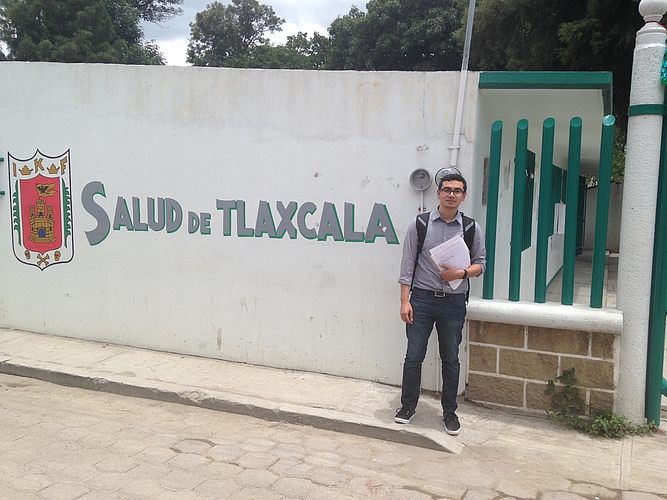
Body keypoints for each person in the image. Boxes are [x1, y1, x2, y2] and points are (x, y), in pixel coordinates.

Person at [396, 170, 486, 436]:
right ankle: (407, 406)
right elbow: (407, 265)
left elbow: (481, 264)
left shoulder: (470, 227)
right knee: (414, 356)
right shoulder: (420, 224)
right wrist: (405, 301)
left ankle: (450, 412)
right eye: (447, 189)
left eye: (457, 191)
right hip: (421, 300)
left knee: (451, 359)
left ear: (463, 196)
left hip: (454, 303)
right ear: (438, 193)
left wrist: (460, 274)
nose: (451, 194)